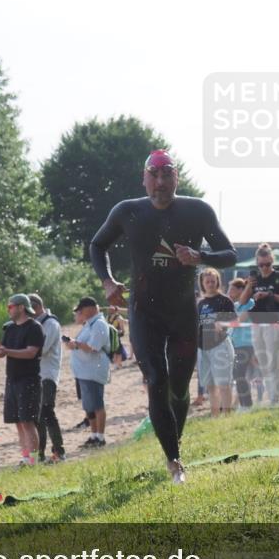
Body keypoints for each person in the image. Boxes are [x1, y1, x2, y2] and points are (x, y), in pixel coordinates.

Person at [89, 150, 236, 484]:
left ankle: (175, 444)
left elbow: (228, 254)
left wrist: (200, 256)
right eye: (153, 175)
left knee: (180, 388)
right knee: (156, 380)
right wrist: (107, 281)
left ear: (176, 178)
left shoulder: (197, 210)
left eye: (166, 174)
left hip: (183, 312)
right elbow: (98, 246)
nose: (160, 182)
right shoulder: (127, 212)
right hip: (145, 313)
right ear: (144, 179)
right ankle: (174, 462)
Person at [0, 294, 44, 466]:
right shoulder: (10, 328)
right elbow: (4, 352)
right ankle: (26, 458)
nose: (8, 309)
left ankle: (34, 461)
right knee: (18, 423)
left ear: (21, 307)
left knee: (28, 421)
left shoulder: (35, 327)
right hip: (12, 380)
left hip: (29, 380)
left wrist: (6, 351)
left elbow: (31, 352)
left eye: (10, 306)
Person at [240, 244, 279, 405]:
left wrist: (269, 294)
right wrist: (249, 285)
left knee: (274, 362)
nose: (264, 267)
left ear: (272, 261)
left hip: (275, 324)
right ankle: (272, 397)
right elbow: (242, 301)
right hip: (257, 325)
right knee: (263, 363)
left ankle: (274, 399)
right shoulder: (254, 279)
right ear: (257, 263)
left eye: (267, 264)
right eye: (261, 264)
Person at [67, 297, 111, 441]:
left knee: (97, 405)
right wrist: (74, 344)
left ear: (90, 308)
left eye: (81, 310)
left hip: (93, 370)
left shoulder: (99, 324)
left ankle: (101, 436)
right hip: (84, 371)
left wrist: (76, 344)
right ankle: (93, 435)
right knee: (89, 406)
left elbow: (93, 347)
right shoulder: (89, 324)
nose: (80, 312)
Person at [29, 294, 65, 463]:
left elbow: (41, 350)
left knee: (47, 412)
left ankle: (59, 452)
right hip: (36, 375)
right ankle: (41, 455)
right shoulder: (35, 324)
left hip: (48, 375)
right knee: (38, 415)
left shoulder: (51, 323)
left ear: (35, 308)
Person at [196, 269, 236, 416]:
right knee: (210, 385)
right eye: (207, 282)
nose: (210, 284)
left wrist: (222, 322)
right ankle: (215, 416)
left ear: (217, 282)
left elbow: (233, 320)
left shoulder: (224, 300)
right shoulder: (200, 304)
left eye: (213, 281)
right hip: (202, 347)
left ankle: (227, 415)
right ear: (202, 284)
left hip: (220, 346)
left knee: (224, 384)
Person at [227, 278, 256, 410]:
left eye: (232, 289)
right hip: (235, 343)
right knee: (238, 375)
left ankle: (247, 404)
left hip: (246, 343)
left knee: (239, 374)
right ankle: (243, 404)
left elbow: (239, 320)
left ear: (241, 290)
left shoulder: (249, 303)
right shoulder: (234, 305)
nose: (229, 292)